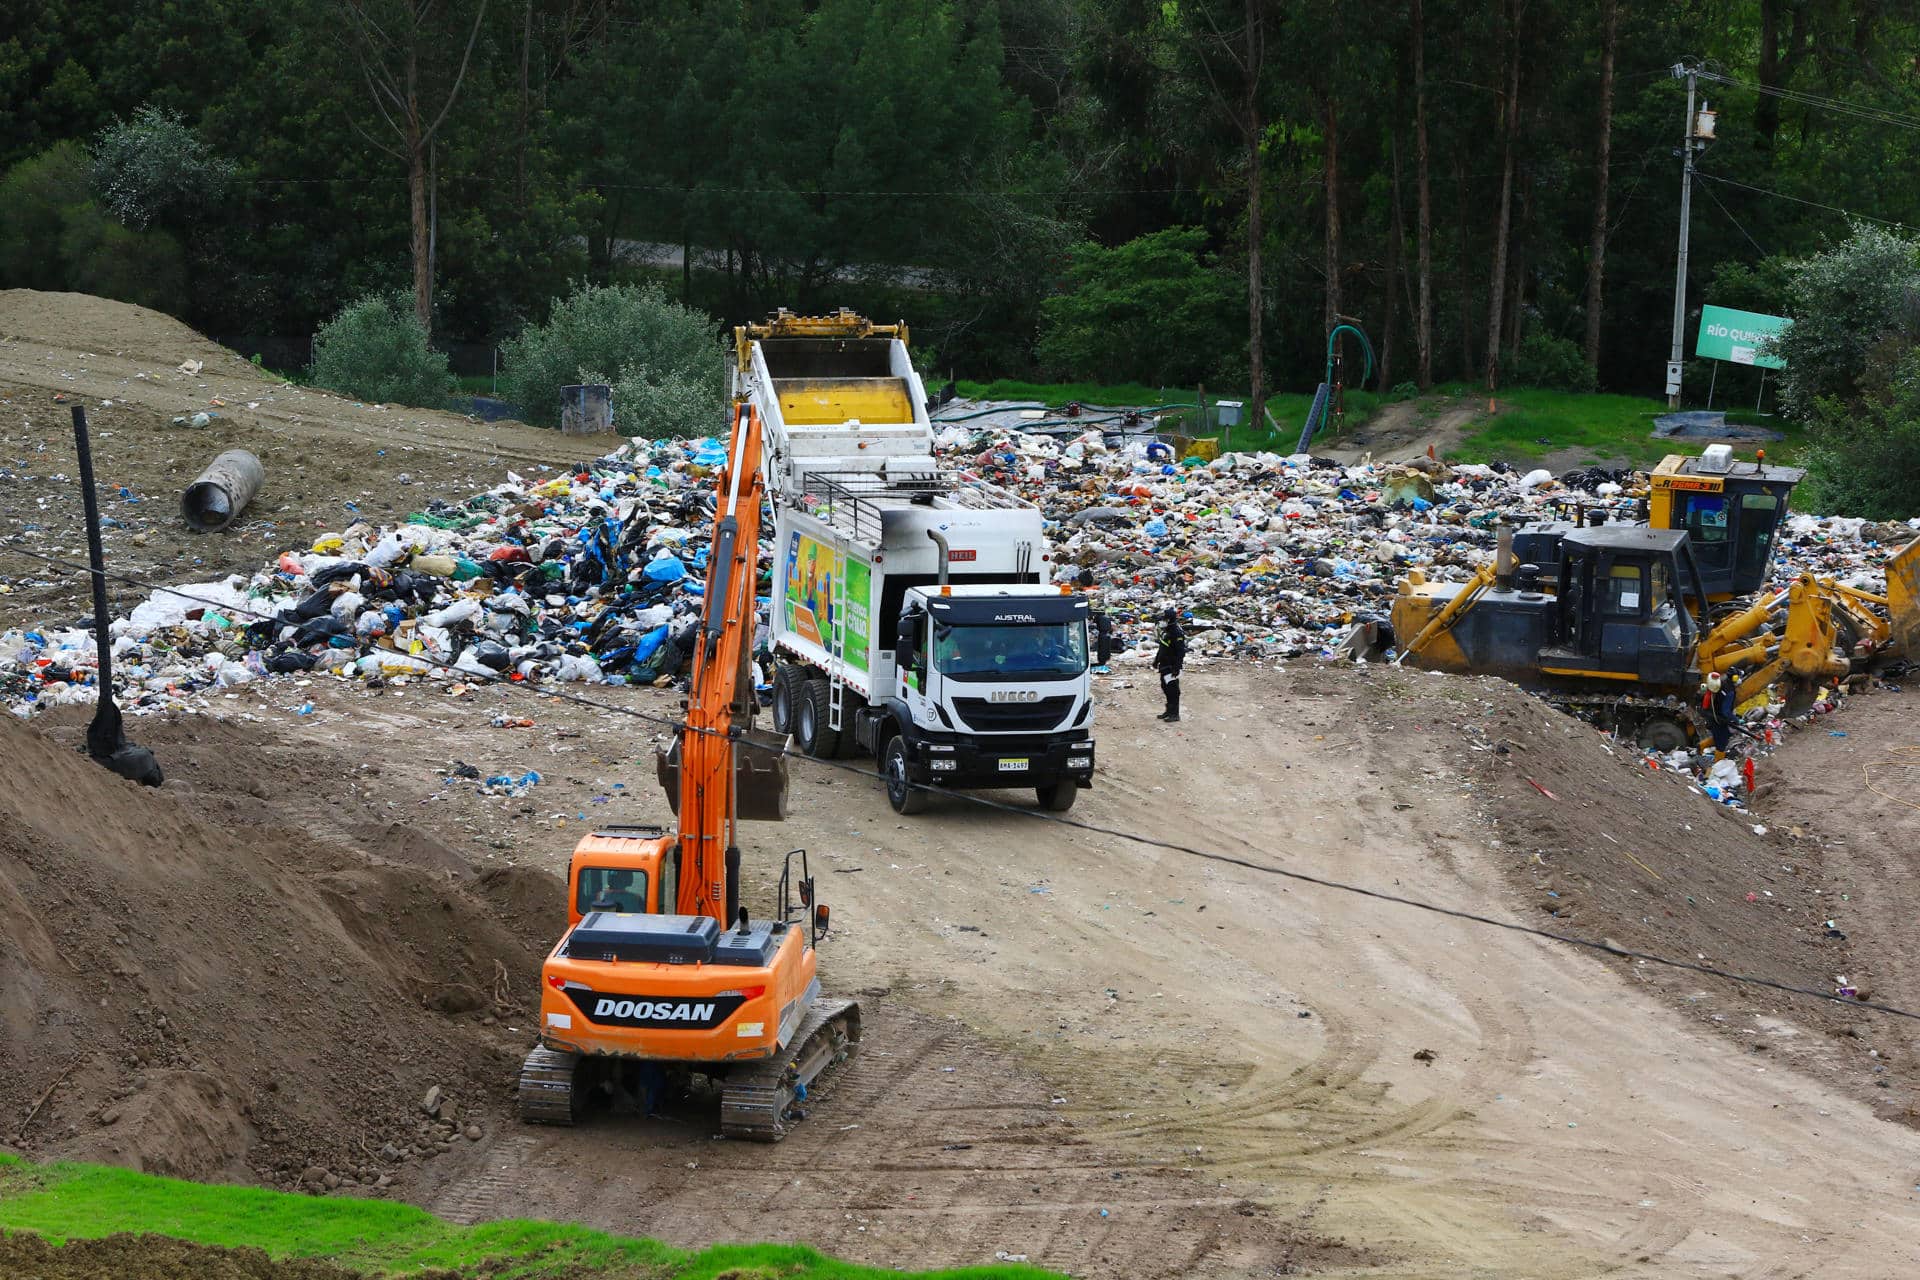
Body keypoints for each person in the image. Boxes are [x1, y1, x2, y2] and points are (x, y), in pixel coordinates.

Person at [1153, 608, 1186, 723]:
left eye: (1164, 619)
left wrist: (1177, 668)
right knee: (1165, 687)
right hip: (1164, 664)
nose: (1162, 621)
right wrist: (1156, 660)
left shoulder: (1176, 632)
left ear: (1169, 619)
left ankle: (1175, 714)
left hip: (1172, 666)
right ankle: (1168, 711)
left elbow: (1181, 652)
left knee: (1173, 690)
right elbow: (1162, 647)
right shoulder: (1166, 631)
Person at [1699, 672, 1737, 760]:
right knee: (1722, 743)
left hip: (1711, 715)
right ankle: (1717, 764)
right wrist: (1735, 719)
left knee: (1720, 736)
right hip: (1719, 719)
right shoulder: (1730, 691)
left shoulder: (1721, 683)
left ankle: (1700, 747)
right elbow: (1725, 710)